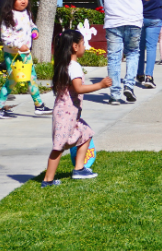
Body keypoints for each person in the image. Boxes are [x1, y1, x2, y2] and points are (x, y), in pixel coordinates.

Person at [42, 29, 112, 187]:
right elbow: (79, 88)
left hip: (69, 113)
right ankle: (48, 180)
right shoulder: (74, 67)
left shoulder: (64, 64)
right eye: (82, 44)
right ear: (75, 47)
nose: (84, 46)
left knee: (86, 133)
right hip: (65, 115)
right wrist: (100, 85)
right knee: (58, 147)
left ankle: (79, 169)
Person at [92, 0, 153, 105]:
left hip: (113, 20)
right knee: (133, 52)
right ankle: (129, 86)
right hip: (133, 19)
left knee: (114, 57)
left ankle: (115, 95)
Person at [0, 0, 51, 119]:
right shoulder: (9, 17)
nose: (23, 1)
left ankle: (39, 105)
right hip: (13, 55)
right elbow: (5, 38)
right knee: (12, 81)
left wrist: (35, 31)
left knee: (32, 78)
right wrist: (19, 45)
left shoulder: (27, 13)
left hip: (25, 54)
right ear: (12, 0)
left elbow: (31, 25)